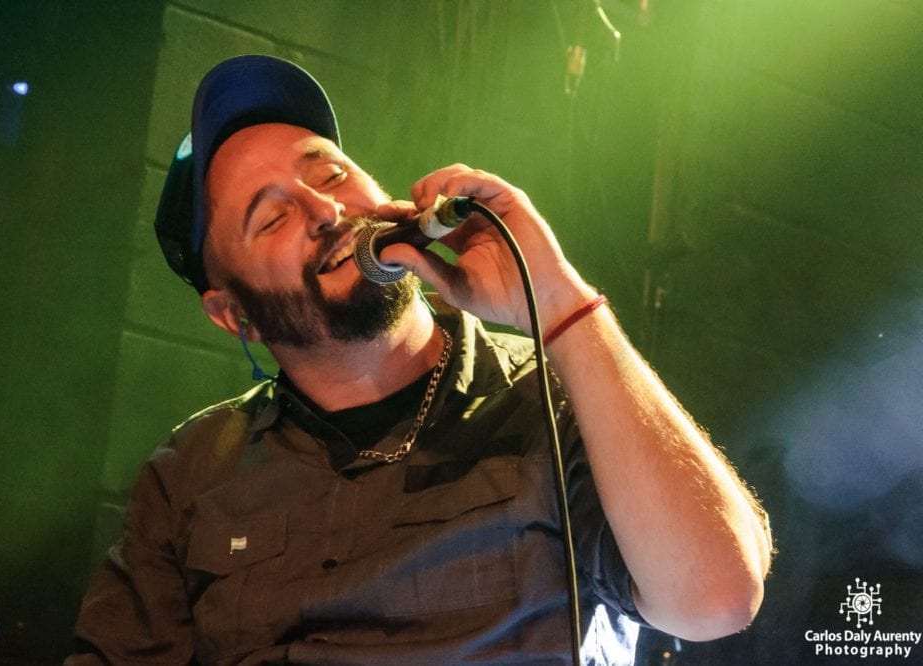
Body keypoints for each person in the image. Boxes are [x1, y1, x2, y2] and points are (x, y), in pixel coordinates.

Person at [67, 54, 772, 665]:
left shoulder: (556, 393)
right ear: (235, 315)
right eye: (272, 217)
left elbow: (715, 599)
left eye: (331, 171)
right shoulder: (191, 474)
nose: (324, 209)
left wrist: (560, 302)